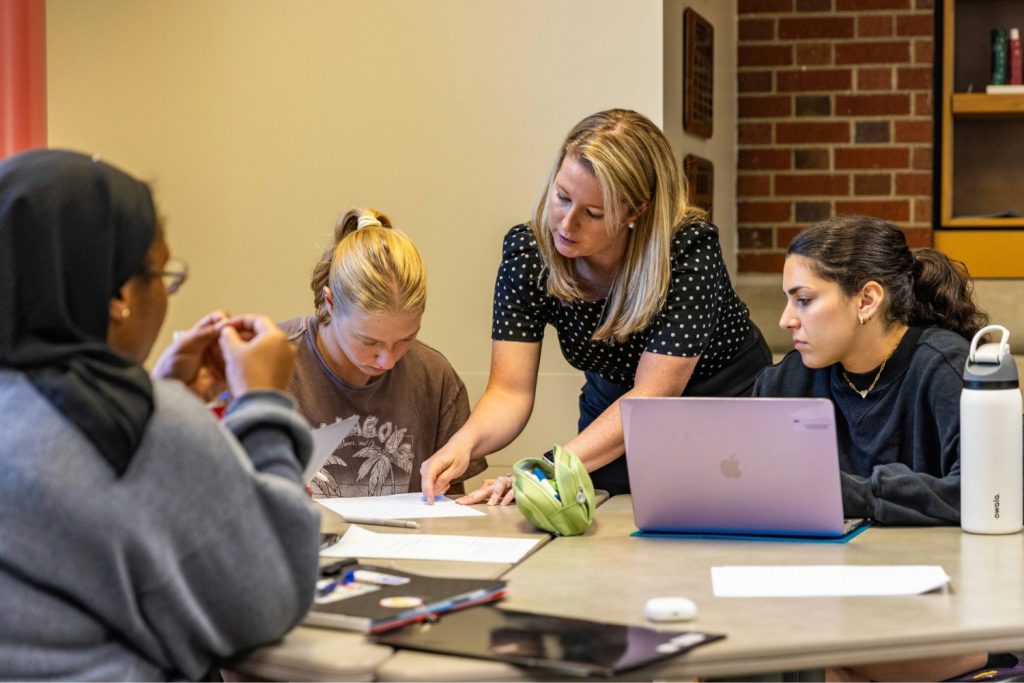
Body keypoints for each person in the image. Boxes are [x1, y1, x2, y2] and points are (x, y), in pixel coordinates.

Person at [0, 149, 320, 680]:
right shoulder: (132, 426)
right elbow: (270, 598)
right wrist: (263, 402)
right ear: (122, 294)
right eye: (163, 277)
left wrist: (158, 390)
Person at [421, 108, 772, 503]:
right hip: (614, 409)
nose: (566, 225)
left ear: (636, 211)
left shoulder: (687, 251)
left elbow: (654, 394)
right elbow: (509, 391)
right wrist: (464, 445)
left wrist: (544, 472)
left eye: (593, 213)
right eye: (562, 198)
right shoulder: (529, 252)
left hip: (722, 404)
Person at [752, 215, 989, 682]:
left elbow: (988, 495)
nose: (786, 320)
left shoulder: (945, 367)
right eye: (787, 301)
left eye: (804, 299)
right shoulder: (791, 377)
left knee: (786, 660)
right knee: (759, 653)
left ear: (866, 300)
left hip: (943, 603)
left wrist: (852, 493)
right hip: (833, 596)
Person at [279, 208, 485, 497]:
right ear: (330, 302)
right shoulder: (268, 365)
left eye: (405, 339)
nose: (387, 360)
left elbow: (449, 508)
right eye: (368, 342)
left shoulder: (433, 377)